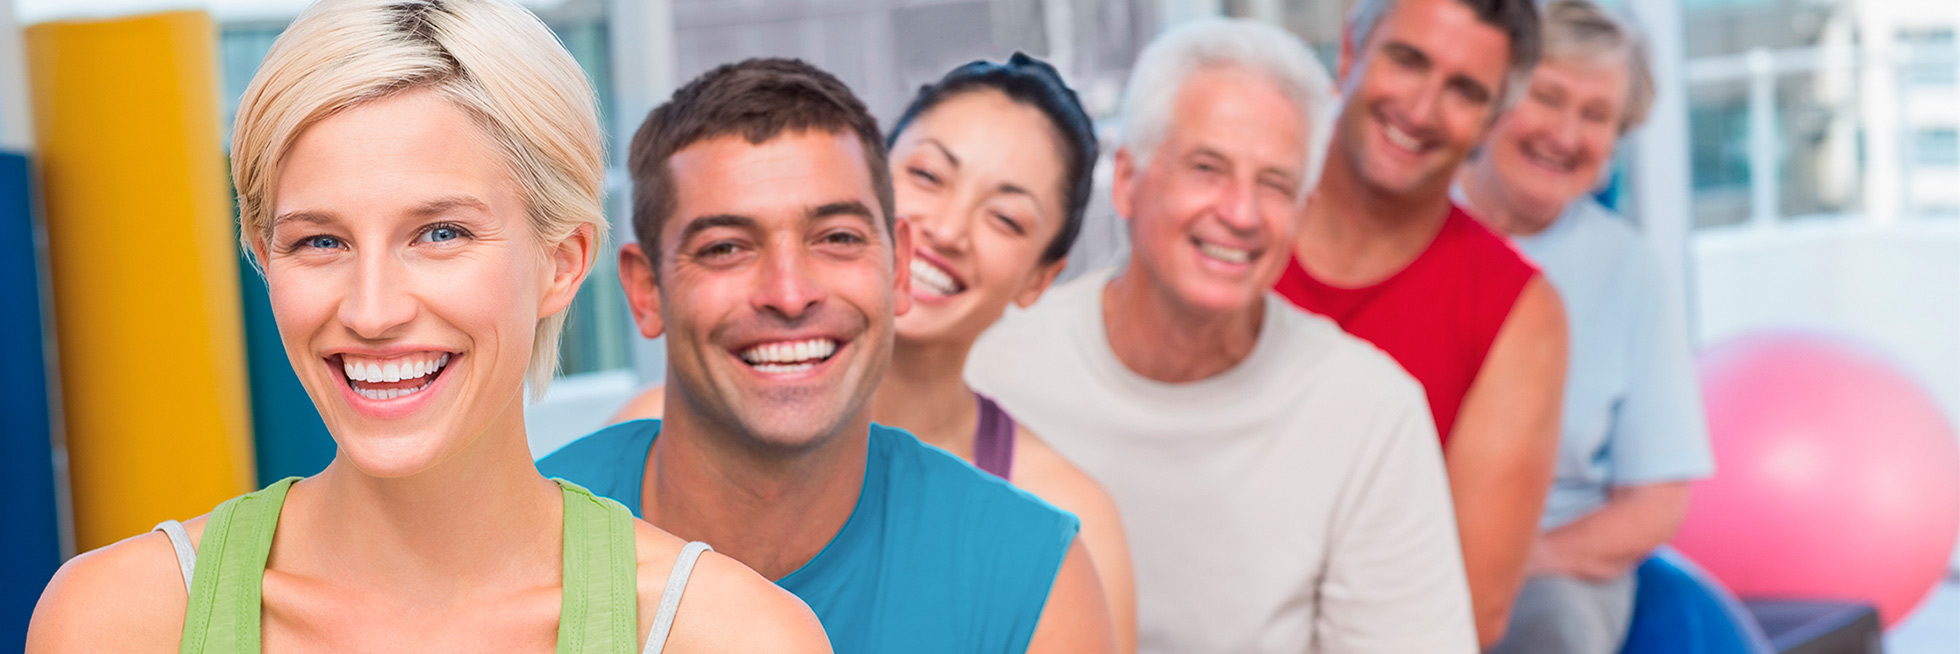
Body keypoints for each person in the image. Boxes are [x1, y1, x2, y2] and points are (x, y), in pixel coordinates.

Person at [25, 1, 828, 653]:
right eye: (320, 241)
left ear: (561, 262)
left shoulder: (729, 636)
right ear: (265, 261)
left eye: (440, 234)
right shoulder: (116, 623)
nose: (372, 311)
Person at [536, 58, 1118, 653]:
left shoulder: (1030, 576)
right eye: (727, 247)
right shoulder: (526, 543)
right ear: (645, 289)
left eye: (837, 238)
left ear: (897, 266)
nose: (789, 294)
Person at [966, 18, 1477, 654]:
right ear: (1127, 182)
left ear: (1301, 215)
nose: (1239, 213)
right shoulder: (989, 364)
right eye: (1207, 167)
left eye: (1275, 184)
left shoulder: (1372, 411)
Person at [1274, 0, 1566, 644]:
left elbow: (1471, 609)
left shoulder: (1515, 314)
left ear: (1493, 122)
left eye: (1465, 91)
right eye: (1407, 61)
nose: (1423, 109)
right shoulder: (1235, 225)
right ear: (1350, 54)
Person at [1454, 2, 1715, 651]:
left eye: (1596, 115)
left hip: (1552, 571)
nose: (1566, 135)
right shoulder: (1412, 224)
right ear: (1496, 97)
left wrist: (1505, 566)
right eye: (1548, 97)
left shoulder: (1629, 270)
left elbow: (1654, 504)